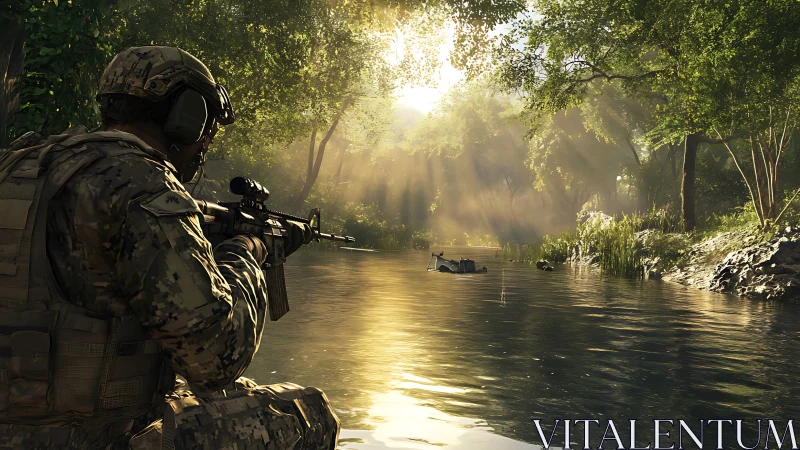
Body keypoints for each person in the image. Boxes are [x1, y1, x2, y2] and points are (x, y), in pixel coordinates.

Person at [0, 46, 339, 449]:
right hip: (92, 437)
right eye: (206, 125)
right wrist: (249, 250)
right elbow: (216, 359)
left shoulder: (21, 165)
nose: (207, 140)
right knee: (309, 412)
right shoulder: (142, 183)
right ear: (186, 118)